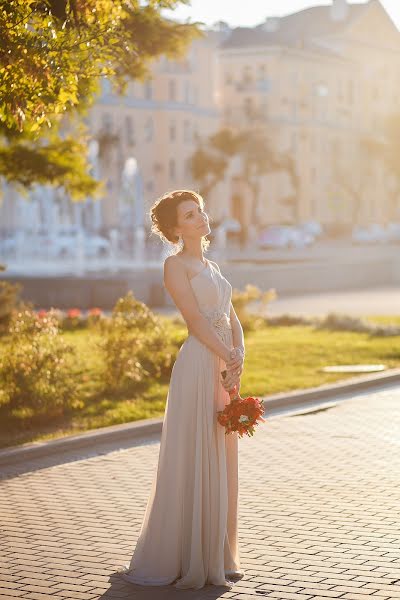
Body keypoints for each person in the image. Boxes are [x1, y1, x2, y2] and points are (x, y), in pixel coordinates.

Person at [119, 189, 245, 590]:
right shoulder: (175, 266)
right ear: (176, 228)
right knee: (196, 451)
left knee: (221, 454)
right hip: (198, 365)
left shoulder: (211, 264)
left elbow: (231, 316)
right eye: (190, 215)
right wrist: (226, 353)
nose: (201, 218)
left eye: (200, 211)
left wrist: (238, 354)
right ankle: (189, 556)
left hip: (223, 363)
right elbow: (195, 322)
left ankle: (219, 554)